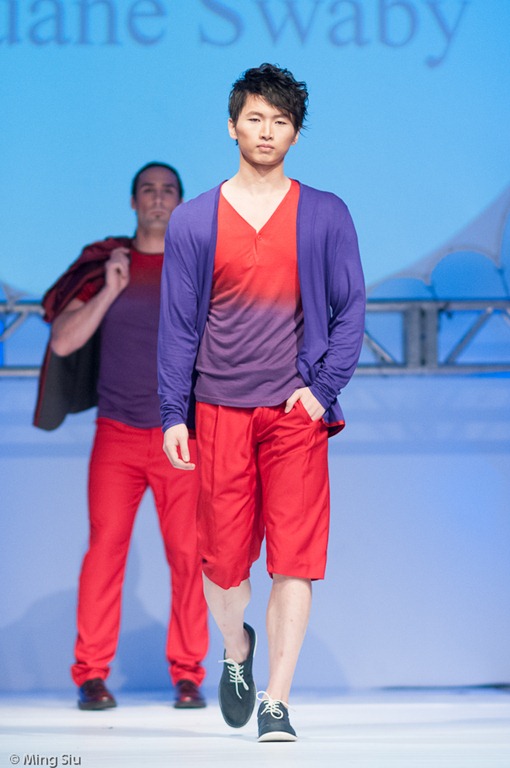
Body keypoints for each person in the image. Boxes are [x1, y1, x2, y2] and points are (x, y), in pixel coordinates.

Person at [157, 64, 365, 741]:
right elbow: (178, 325)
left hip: (294, 413)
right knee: (222, 567)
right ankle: (236, 647)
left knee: (295, 559)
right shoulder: (195, 220)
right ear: (232, 126)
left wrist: (323, 391)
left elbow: (350, 309)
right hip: (218, 407)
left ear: (295, 134)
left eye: (280, 121)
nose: (267, 131)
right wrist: (173, 411)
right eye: (255, 118)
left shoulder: (324, 213)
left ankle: (276, 700)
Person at [35, 162, 209, 711]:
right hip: (117, 434)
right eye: (148, 190)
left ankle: (189, 674)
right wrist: (111, 290)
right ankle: (91, 674)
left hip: (182, 437)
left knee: (190, 556)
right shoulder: (106, 264)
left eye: (168, 191)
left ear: (180, 202)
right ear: (133, 202)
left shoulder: (198, 265)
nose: (158, 199)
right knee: (104, 553)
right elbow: (63, 341)